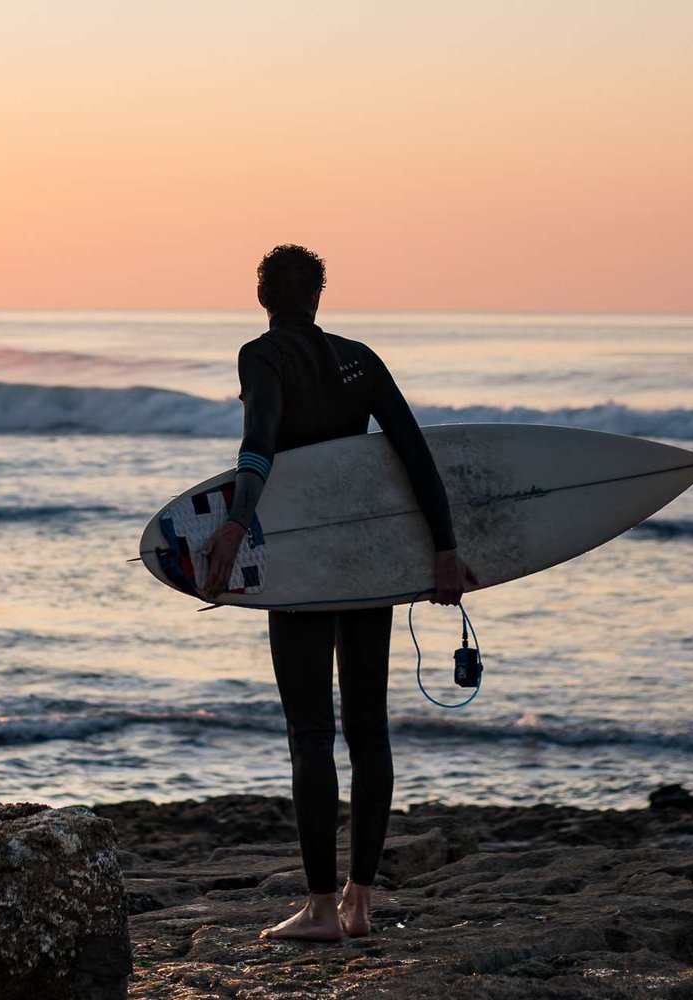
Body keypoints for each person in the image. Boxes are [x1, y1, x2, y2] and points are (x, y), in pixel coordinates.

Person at [200, 245, 479, 942]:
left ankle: (321, 908)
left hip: (301, 565)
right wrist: (445, 549)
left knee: (310, 735)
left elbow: (259, 443)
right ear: (319, 296)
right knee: (369, 730)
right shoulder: (359, 358)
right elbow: (414, 452)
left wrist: (236, 523)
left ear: (261, 293)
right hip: (364, 565)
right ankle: (362, 901)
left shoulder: (262, 357)